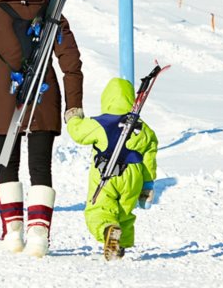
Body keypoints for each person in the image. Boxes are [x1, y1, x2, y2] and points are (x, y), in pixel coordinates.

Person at [0, 0, 84, 258]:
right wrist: (74, 106)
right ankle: (39, 237)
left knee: (7, 164)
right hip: (45, 98)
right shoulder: (53, 15)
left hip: (6, 100)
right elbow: (71, 64)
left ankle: (13, 233)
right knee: (41, 167)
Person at [66, 77, 158, 260]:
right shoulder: (142, 128)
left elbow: (78, 133)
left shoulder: (101, 123)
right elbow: (150, 155)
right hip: (133, 177)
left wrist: (73, 119)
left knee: (99, 209)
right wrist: (147, 185)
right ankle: (120, 244)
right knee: (124, 211)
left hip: (105, 173)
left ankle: (109, 230)